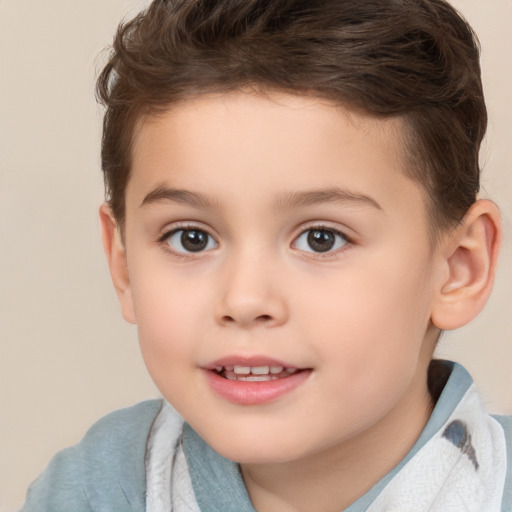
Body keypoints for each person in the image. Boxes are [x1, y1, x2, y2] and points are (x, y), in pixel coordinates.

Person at [21, 0, 511, 510]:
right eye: (191, 238)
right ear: (123, 265)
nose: (246, 299)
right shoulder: (93, 490)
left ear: (459, 268)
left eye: (322, 238)